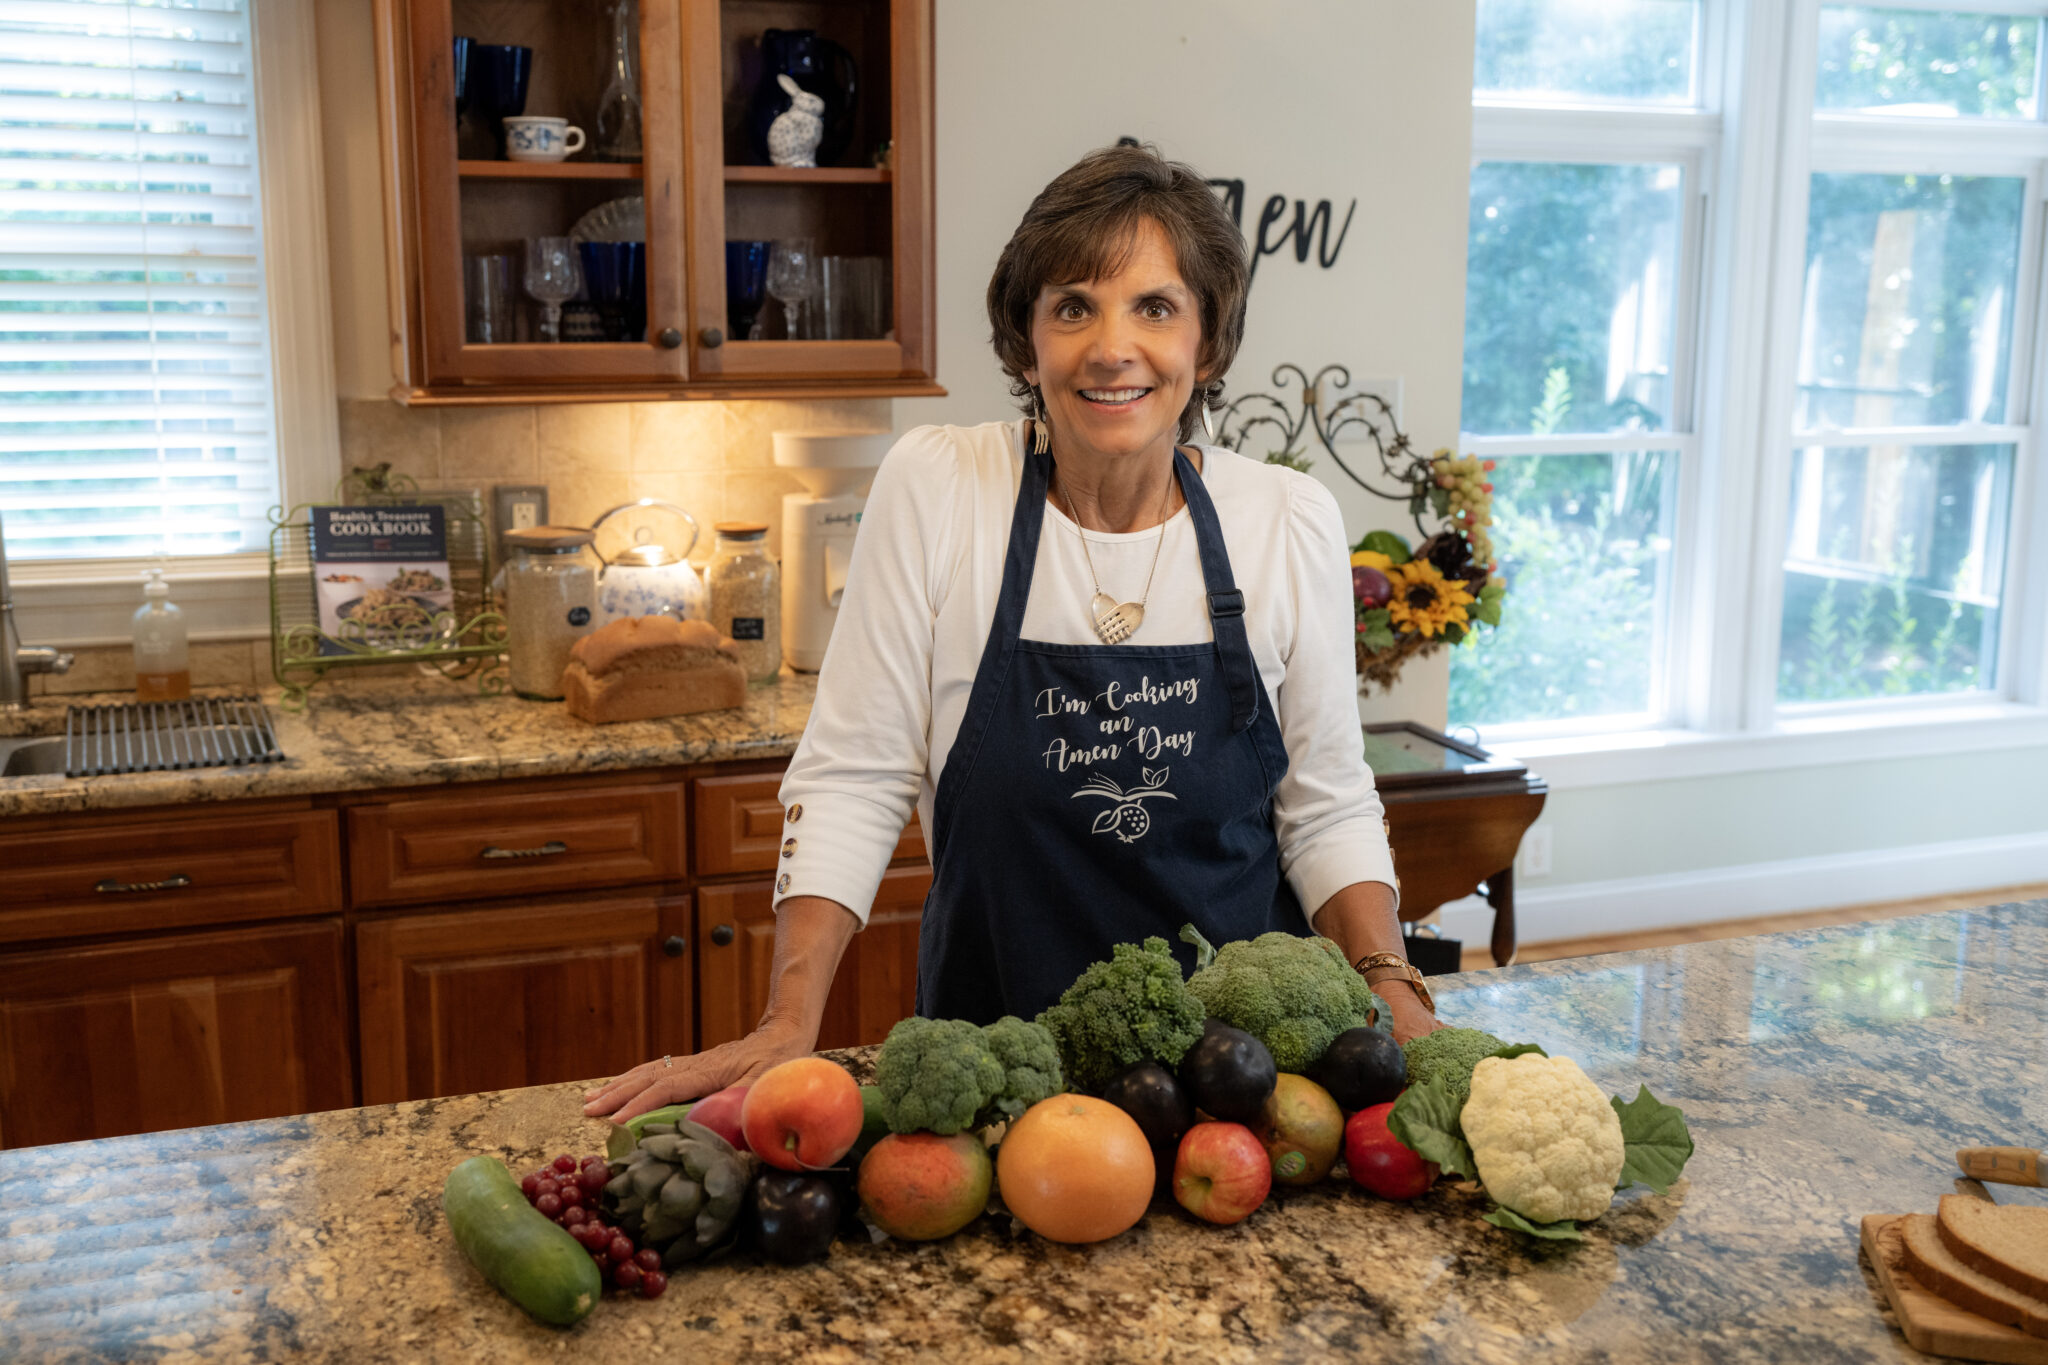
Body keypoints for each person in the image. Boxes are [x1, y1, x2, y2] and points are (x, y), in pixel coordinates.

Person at [586, 144, 1440, 1124]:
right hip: (996, 1084)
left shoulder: (1283, 519)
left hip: (1241, 1087)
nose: (1110, 346)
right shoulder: (943, 488)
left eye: (1153, 308)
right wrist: (787, 1022)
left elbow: (1323, 806)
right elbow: (856, 774)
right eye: (1072, 306)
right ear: (1024, 343)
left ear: (1205, 348)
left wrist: (1398, 996)